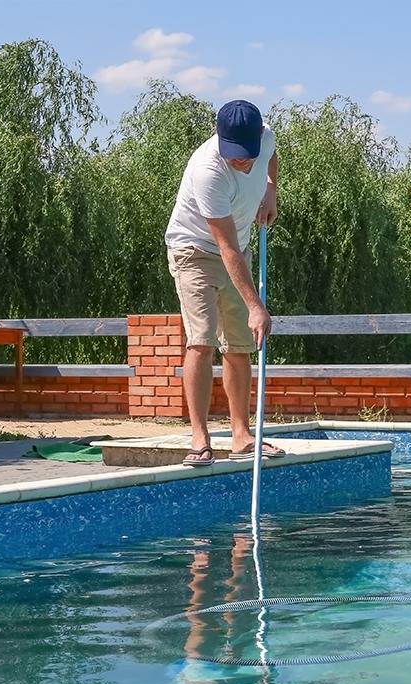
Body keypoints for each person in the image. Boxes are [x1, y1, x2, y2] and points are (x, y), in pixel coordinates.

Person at [165, 100, 286, 465]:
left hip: (240, 251)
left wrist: (270, 189)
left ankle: (241, 436)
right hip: (195, 251)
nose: (243, 161)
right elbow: (226, 246)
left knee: (238, 345)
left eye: (247, 154)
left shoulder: (264, 140)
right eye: (235, 155)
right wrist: (255, 306)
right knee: (201, 341)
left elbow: (271, 156)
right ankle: (200, 438)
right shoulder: (207, 170)